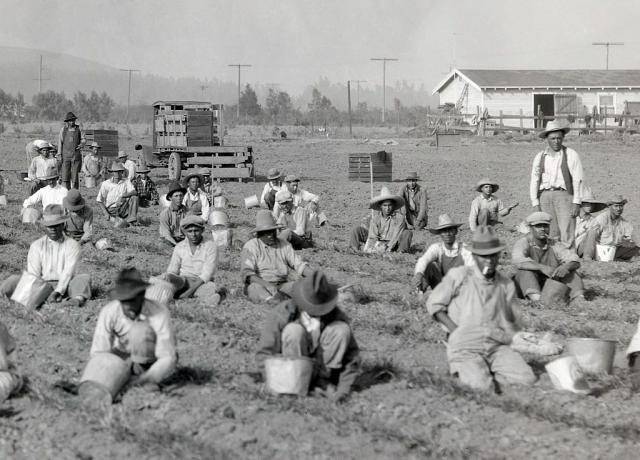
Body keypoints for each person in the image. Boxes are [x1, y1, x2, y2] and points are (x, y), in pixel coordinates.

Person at [427, 226, 536, 392]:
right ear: (475, 256)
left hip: (495, 344)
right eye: (484, 256)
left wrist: (522, 336)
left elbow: (512, 318)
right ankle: (466, 371)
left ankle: (484, 370)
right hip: (465, 345)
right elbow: (434, 305)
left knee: (526, 378)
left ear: (499, 255)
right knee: (481, 387)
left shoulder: (505, 284)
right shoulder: (460, 276)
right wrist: (455, 331)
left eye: (493, 255)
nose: (489, 261)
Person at [256, 271, 359, 401]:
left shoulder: (335, 315)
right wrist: (273, 381)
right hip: (290, 374)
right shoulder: (282, 313)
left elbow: (351, 357)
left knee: (341, 330)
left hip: (324, 373)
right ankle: (294, 387)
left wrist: (343, 390)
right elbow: (265, 353)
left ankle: (323, 383)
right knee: (293, 331)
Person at [88, 268, 177, 389]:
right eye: (124, 301)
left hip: (148, 359)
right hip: (119, 358)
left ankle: (140, 377)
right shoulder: (109, 312)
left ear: (142, 295)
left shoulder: (159, 313)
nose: (127, 306)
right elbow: (98, 351)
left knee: (140, 331)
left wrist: (149, 378)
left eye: (132, 300)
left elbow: (167, 356)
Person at [1, 204, 92, 307]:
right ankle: (5, 294)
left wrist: (57, 291)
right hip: (41, 284)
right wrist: (40, 287)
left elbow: (68, 272)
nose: (52, 229)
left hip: (66, 285)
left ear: (63, 225)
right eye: (49, 226)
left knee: (84, 278)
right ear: (45, 227)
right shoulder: (36, 245)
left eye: (56, 225)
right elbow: (33, 274)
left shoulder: (72, 245)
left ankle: (75, 300)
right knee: (14, 279)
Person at [529, 119, 584, 245]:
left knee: (567, 230)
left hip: (564, 195)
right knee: (549, 231)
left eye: (559, 138)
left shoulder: (571, 154)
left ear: (563, 138)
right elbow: (534, 179)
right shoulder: (540, 157)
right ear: (547, 139)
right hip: (545, 196)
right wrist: (535, 202)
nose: (556, 141)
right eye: (553, 138)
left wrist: (577, 202)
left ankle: (568, 259)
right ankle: (553, 259)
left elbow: (578, 179)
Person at [241, 210, 314, 303]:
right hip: (261, 284)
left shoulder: (284, 244)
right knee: (254, 288)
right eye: (266, 232)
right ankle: (272, 301)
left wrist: (317, 278)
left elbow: (299, 265)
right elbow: (248, 274)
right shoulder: (251, 247)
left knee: (304, 286)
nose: (271, 235)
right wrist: (268, 286)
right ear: (259, 234)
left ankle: (281, 300)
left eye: (272, 231)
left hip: (282, 285)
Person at [512, 211, 584, 302]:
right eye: (538, 226)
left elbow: (574, 259)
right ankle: (537, 300)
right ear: (530, 228)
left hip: (550, 284)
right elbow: (518, 261)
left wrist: (566, 267)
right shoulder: (523, 242)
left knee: (571, 272)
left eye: (545, 226)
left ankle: (579, 299)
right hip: (527, 285)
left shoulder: (554, 244)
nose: (542, 229)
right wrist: (541, 268)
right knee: (525, 271)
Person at [159, 215, 221, 303]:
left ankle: (204, 297)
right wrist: (169, 280)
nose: (193, 234)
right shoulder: (179, 247)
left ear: (202, 230)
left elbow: (206, 274)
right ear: (184, 232)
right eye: (190, 231)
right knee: (165, 278)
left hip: (201, 282)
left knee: (210, 288)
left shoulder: (210, 246)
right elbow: (173, 270)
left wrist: (187, 293)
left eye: (196, 231)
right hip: (183, 280)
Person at [412, 214, 473, 294]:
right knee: (429, 266)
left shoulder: (464, 249)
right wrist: (419, 273)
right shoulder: (437, 248)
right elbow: (424, 260)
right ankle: (419, 293)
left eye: (450, 230)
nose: (447, 234)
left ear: (455, 231)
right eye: (444, 231)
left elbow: (472, 266)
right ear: (440, 233)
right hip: (441, 286)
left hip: (460, 288)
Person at [350, 187, 412, 253]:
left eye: (389, 205)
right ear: (380, 206)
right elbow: (373, 236)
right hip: (379, 243)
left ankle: (400, 253)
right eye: (385, 205)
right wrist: (372, 247)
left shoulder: (399, 218)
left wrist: (387, 248)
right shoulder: (376, 219)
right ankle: (354, 249)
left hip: (394, 244)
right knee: (357, 230)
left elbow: (396, 237)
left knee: (407, 233)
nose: (387, 208)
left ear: (393, 206)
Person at [581, 194, 640, 261]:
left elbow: (630, 238)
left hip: (614, 249)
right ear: (610, 207)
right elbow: (591, 237)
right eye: (616, 206)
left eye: (621, 206)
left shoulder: (624, 223)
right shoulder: (601, 219)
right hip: (600, 250)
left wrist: (630, 242)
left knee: (636, 250)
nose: (619, 209)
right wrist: (587, 256)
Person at [574, 188, 607, 257]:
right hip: (568, 249)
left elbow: (594, 238)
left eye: (592, 204)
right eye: (587, 204)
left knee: (592, 232)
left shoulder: (594, 221)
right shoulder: (571, 218)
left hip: (581, 248)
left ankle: (587, 257)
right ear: (581, 204)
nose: (591, 206)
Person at [57, 111, 84, 189]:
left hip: (76, 155)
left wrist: (82, 144)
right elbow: (60, 142)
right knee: (65, 175)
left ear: (75, 120)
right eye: (70, 121)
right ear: (67, 122)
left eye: (73, 120)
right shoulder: (63, 130)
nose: (72, 122)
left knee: (75, 175)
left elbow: (83, 139)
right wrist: (59, 154)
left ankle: (75, 192)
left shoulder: (79, 129)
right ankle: (66, 192)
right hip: (65, 155)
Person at [159, 182, 188, 246]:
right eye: (176, 196)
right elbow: (166, 234)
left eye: (181, 195)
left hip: (183, 238)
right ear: (170, 198)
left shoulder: (187, 211)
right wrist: (176, 244)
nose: (179, 198)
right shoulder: (165, 214)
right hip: (169, 239)